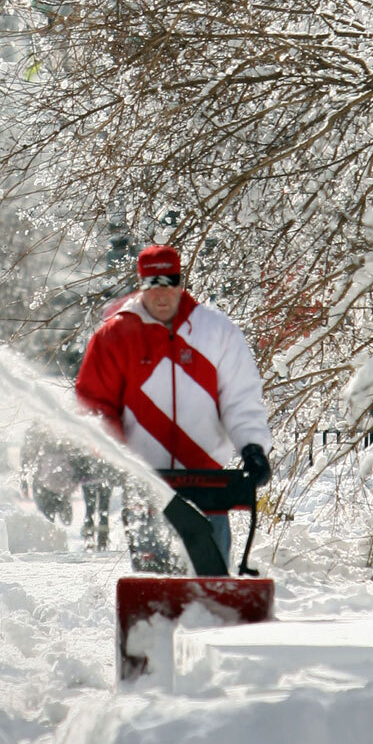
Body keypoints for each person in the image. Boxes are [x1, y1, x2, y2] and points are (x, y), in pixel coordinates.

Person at [75, 244, 272, 571]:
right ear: (141, 285)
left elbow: (241, 397)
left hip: (209, 484)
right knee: (153, 588)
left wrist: (252, 447)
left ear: (181, 283)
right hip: (146, 485)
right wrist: (109, 451)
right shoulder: (115, 336)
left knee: (214, 581)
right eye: (153, 285)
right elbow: (95, 403)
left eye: (169, 283)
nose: (162, 295)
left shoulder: (216, 332)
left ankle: (217, 619)